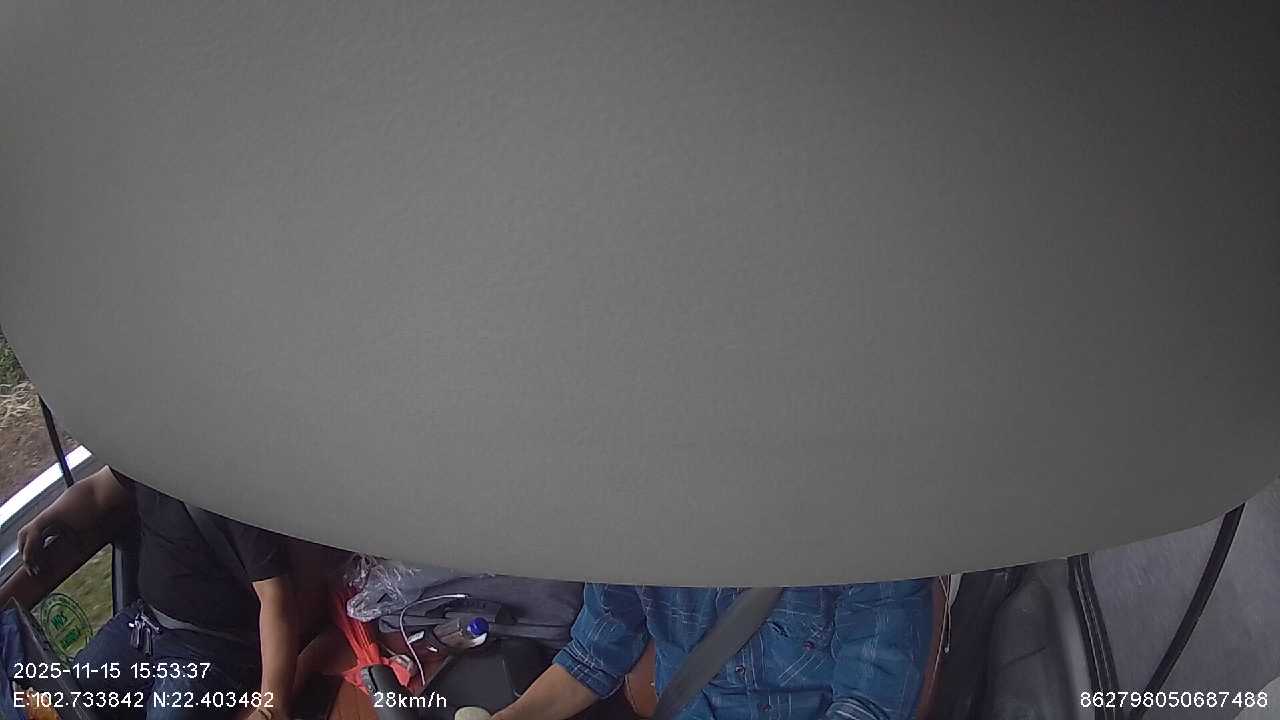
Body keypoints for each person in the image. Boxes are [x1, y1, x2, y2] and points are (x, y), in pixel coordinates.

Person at [18, 466, 298, 720]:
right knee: (68, 700)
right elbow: (96, 491)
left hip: (212, 647)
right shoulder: (147, 457)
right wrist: (46, 519)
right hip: (144, 624)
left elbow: (275, 595)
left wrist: (271, 705)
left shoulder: (228, 487)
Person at [492, 582, 932, 720]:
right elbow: (591, 657)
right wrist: (516, 716)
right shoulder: (638, 523)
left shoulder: (865, 533)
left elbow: (870, 705)